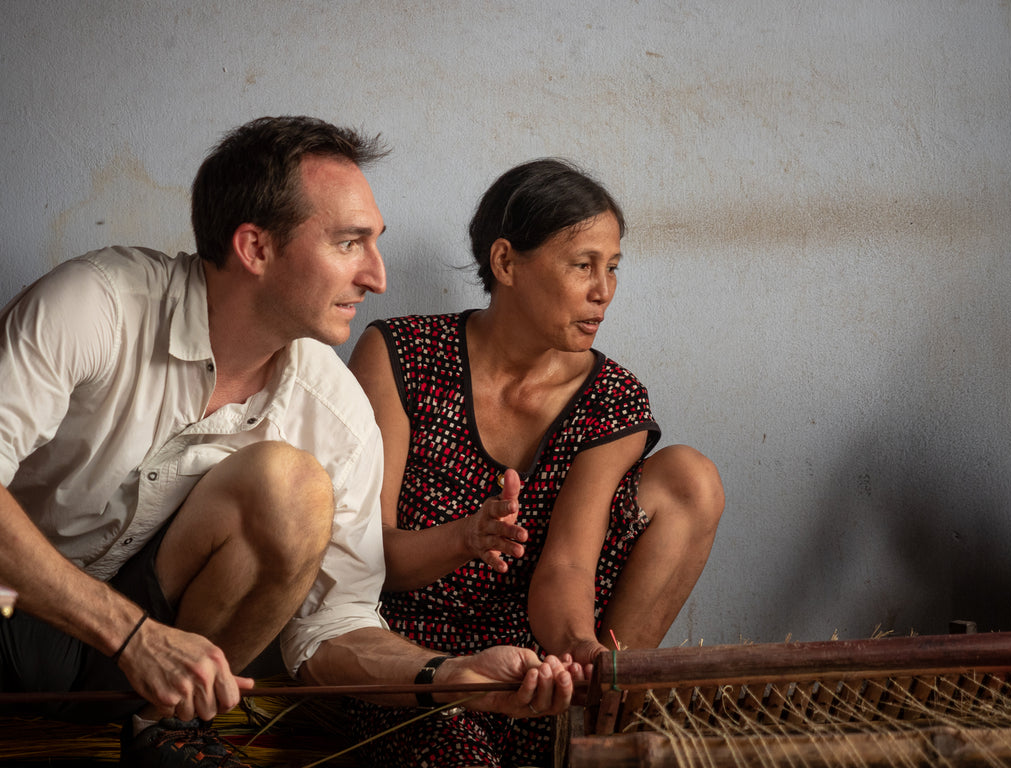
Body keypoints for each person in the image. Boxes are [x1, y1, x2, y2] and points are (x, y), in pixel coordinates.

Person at [0, 117, 578, 767]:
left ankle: (161, 726)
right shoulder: (93, 307)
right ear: (255, 248)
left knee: (289, 486)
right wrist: (132, 635)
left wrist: (444, 675)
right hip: (8, 604)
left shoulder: (334, 413)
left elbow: (332, 629)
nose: (377, 276)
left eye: (374, 244)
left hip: (135, 678)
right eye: (349, 243)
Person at [343, 158, 725, 766]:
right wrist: (466, 538)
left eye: (613, 267)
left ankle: (592, 711)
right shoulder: (401, 356)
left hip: (534, 660)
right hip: (416, 660)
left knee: (688, 477)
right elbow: (372, 561)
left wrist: (581, 649)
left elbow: (568, 566)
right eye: (582, 265)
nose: (604, 290)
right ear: (505, 263)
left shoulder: (610, 396)